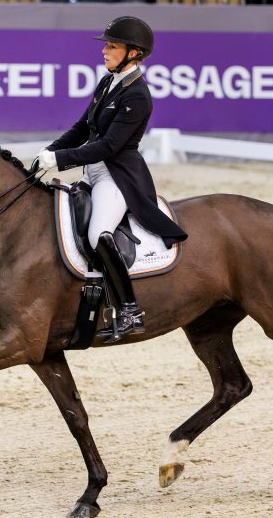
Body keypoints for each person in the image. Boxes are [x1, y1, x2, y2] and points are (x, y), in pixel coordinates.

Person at [34, 17, 188, 342]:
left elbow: (108, 146)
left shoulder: (138, 96)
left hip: (117, 177)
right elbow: (81, 129)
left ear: (134, 53)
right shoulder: (108, 83)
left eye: (112, 46)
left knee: (97, 234)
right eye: (106, 45)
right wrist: (48, 151)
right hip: (92, 172)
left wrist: (60, 160)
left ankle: (129, 308)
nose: (104, 51)